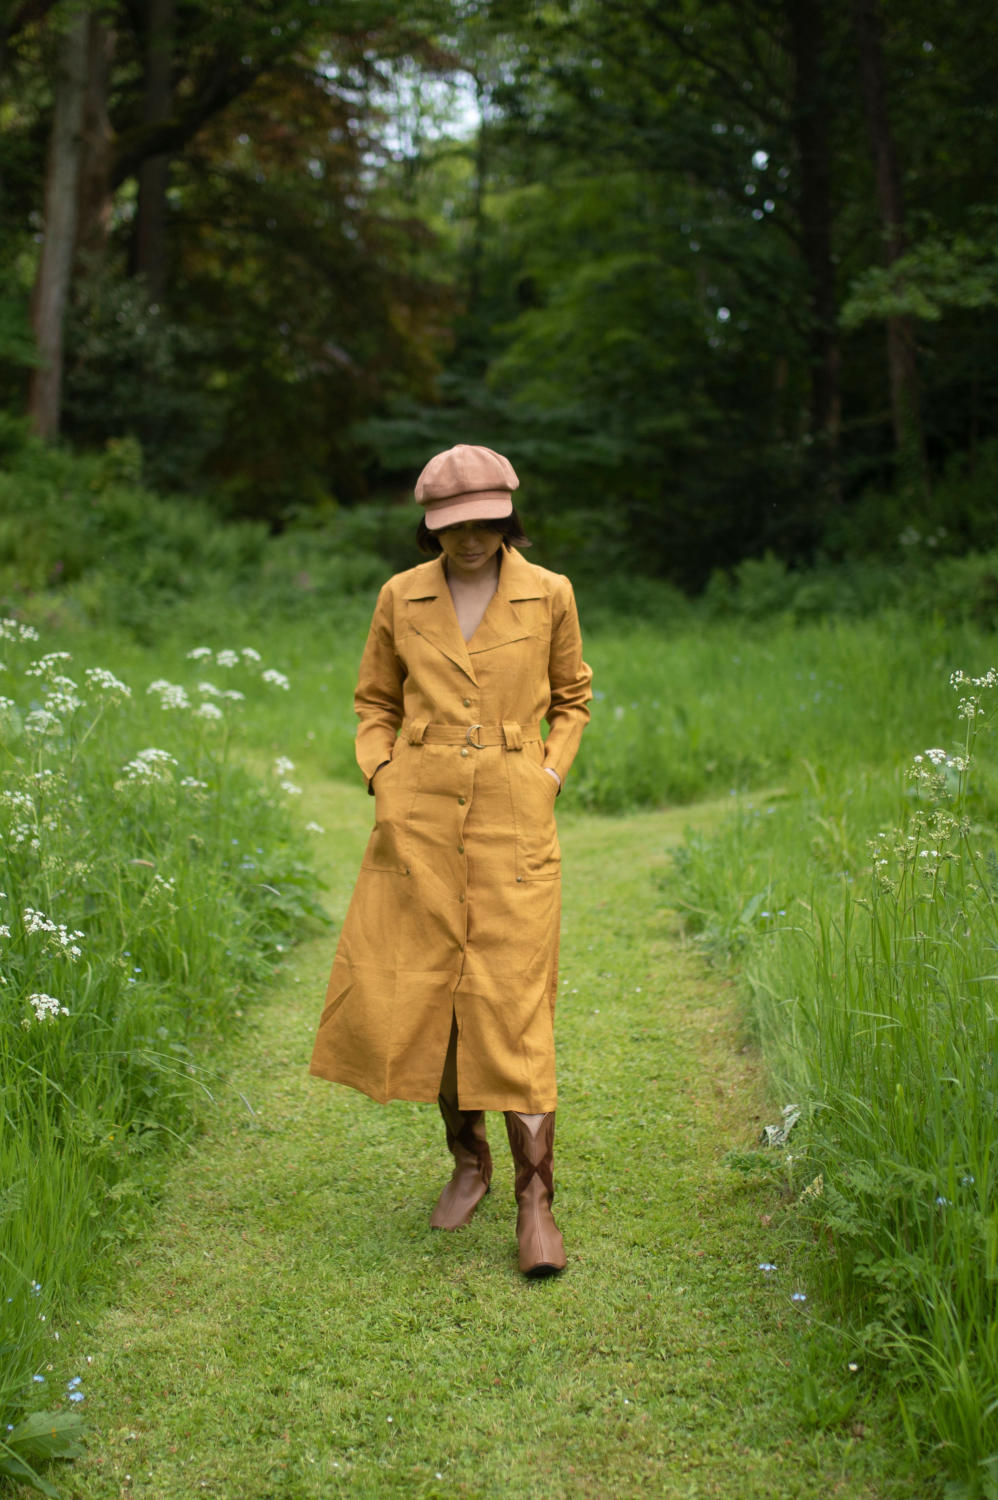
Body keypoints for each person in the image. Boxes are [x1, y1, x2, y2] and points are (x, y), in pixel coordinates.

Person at [309, 444, 592, 1277]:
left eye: (483, 521)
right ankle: (468, 1157)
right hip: (421, 812)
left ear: (508, 514)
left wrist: (547, 773)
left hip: (514, 811)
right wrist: (383, 774)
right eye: (451, 524)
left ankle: (535, 1201)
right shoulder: (402, 595)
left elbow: (572, 697)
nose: (469, 538)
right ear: (431, 525)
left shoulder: (551, 594)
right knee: (432, 989)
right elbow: (374, 700)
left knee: (513, 1000)